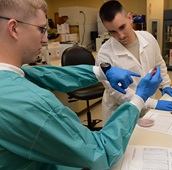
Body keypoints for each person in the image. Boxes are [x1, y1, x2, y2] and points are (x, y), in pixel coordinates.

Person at [0, 0, 163, 169]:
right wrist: (140, 98)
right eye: (41, 29)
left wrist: (101, 72)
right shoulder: (28, 103)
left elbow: (44, 74)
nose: (45, 39)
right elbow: (101, 152)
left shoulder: (10, 77)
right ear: (14, 28)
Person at [96, 0, 172, 124]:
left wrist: (166, 85)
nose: (120, 35)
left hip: (148, 111)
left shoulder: (148, 38)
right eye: (112, 32)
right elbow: (117, 92)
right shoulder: (104, 54)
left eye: (122, 27)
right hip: (121, 113)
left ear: (130, 18)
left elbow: (159, 63)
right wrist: (152, 103)